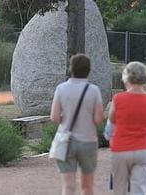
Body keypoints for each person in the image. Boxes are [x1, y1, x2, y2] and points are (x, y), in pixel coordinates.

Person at [50, 53, 104, 195]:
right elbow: (98, 119)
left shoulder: (61, 89)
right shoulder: (94, 90)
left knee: (68, 186)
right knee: (87, 186)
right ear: (89, 70)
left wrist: (65, 118)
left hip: (66, 141)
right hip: (88, 141)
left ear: (71, 69)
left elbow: (54, 117)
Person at [108, 61, 146, 195]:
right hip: (143, 149)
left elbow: (111, 125)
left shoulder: (118, 99)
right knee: (139, 189)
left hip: (120, 149)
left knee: (120, 189)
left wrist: (110, 139)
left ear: (126, 77)